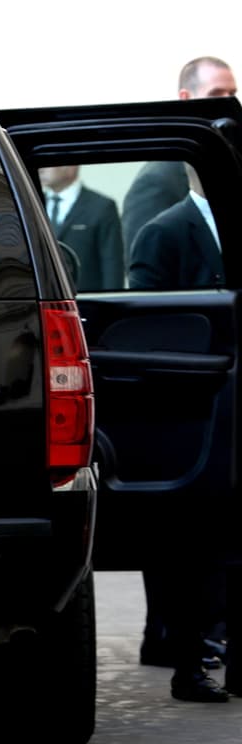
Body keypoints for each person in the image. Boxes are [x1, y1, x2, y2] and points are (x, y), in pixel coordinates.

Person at [127, 165, 229, 701]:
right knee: (194, 536)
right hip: (192, 405)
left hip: (234, 402)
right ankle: (186, 655)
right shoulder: (164, 230)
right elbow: (146, 316)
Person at [121, 56, 238, 256]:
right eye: (216, 95)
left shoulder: (230, 161)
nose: (227, 103)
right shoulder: (156, 180)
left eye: (232, 94)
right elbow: (147, 262)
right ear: (186, 99)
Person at [39, 164, 125, 291]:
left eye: (49, 162)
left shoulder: (102, 207)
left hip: (86, 301)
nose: (41, 168)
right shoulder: (32, 205)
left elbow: (112, 265)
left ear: (71, 167)